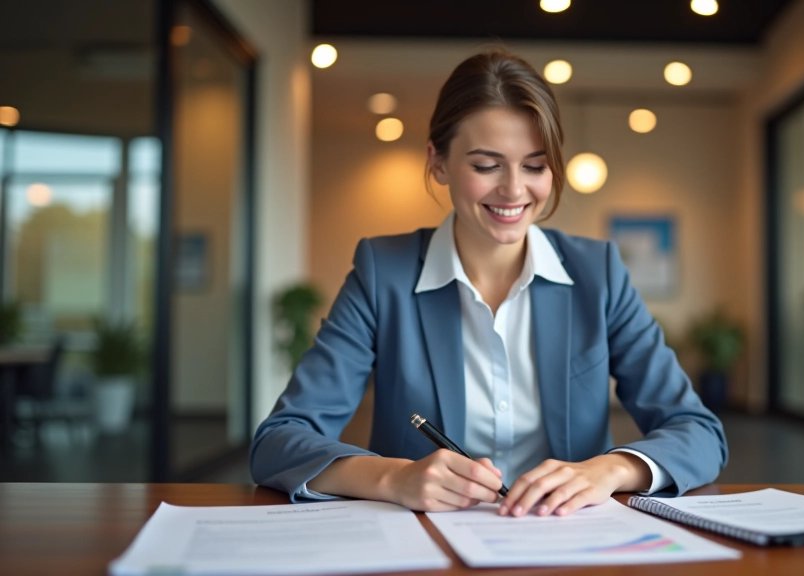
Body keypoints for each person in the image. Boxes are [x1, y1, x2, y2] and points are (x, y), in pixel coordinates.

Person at [251, 50, 727, 517]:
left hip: (570, 544)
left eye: (536, 166)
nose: (515, 190)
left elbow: (698, 432)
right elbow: (278, 441)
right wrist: (392, 478)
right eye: (486, 165)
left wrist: (612, 469)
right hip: (426, 546)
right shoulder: (383, 273)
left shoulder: (596, 272)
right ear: (437, 162)